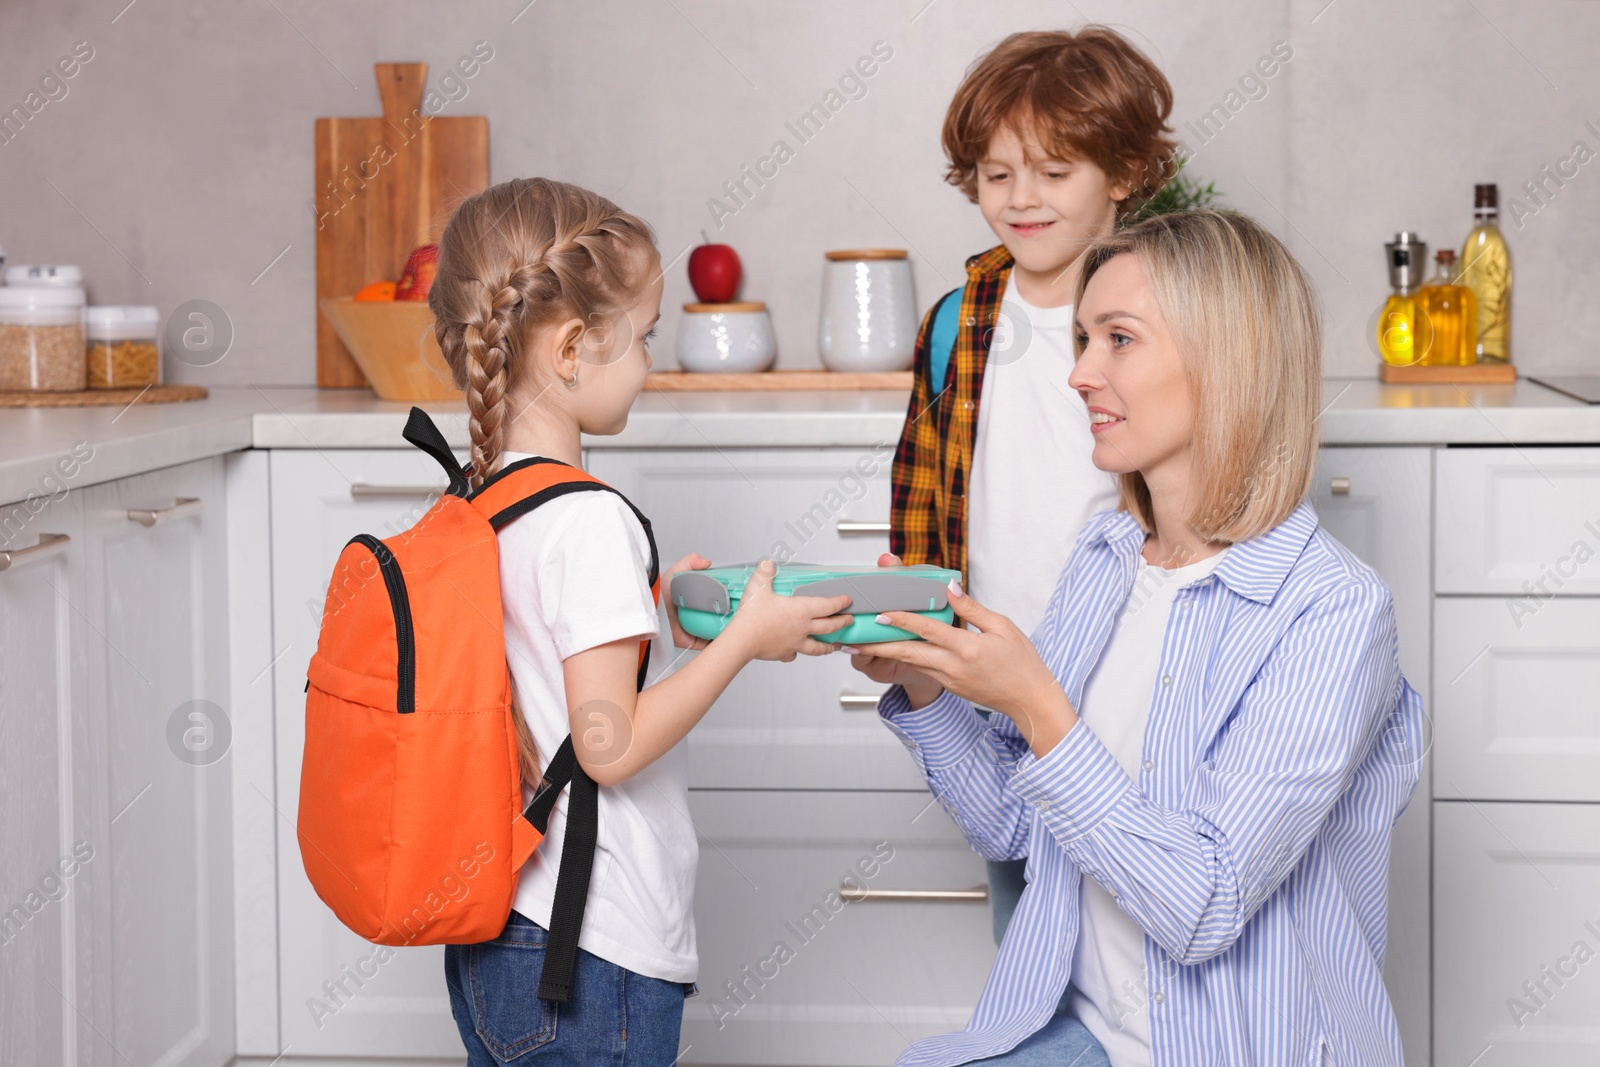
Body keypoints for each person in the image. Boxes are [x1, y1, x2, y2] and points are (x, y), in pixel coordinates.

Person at [848, 210, 1424, 1066]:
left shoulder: (1332, 612)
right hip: (1084, 1034)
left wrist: (1036, 704)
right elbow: (1015, 824)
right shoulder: (1107, 558)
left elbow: (1203, 905)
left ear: (1231, 362)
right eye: (1083, 339)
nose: (1079, 372)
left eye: (1119, 338)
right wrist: (926, 683)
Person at [428, 176, 855, 1065]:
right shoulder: (588, 515)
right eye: (647, 336)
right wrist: (743, 642)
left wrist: (650, 619)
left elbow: (535, 665)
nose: (653, 363)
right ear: (576, 346)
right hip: (586, 948)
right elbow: (606, 745)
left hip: (495, 933)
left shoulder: (481, 495)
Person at [886, 27, 1178, 991]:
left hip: (1132, 694)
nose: (1020, 198)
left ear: (1127, 171)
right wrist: (913, 626)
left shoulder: (1172, 313)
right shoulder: (958, 321)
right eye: (995, 172)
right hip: (993, 695)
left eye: (1054, 170)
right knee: (1033, 959)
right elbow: (924, 489)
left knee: (1153, 944)